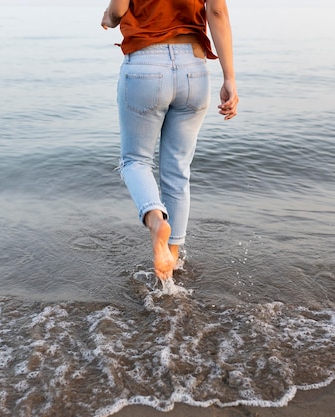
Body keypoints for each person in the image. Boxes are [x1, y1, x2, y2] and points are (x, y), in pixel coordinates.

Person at [101, 0, 238, 281]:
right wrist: (229, 78)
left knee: (135, 161)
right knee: (177, 170)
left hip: (145, 66)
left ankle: (155, 220)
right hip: (194, 70)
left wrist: (108, 18)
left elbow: (117, 11)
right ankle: (170, 267)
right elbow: (218, 12)